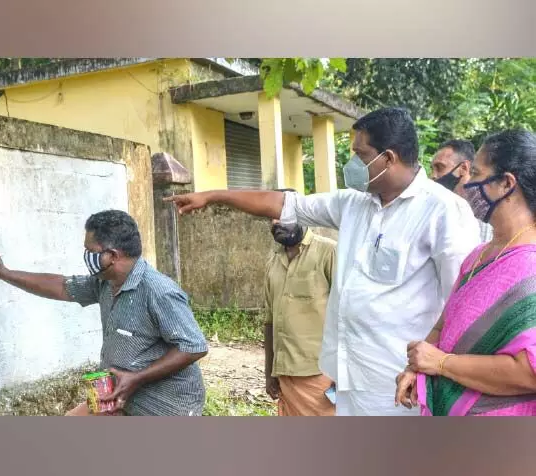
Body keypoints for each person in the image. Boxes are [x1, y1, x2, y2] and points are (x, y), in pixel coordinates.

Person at [165, 107, 480, 416]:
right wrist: (213, 196)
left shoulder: (443, 211)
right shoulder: (353, 204)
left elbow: (464, 302)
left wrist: (438, 369)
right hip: (349, 379)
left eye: (361, 155)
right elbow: (285, 204)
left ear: (389, 158)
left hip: (401, 386)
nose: (353, 164)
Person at [0, 209, 209, 416]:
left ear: (112, 255)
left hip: (166, 406)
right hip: (120, 394)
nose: (86, 256)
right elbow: (61, 286)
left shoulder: (158, 291)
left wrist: (137, 378)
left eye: (90, 251)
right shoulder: (105, 282)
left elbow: (193, 346)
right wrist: (3, 272)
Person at [395, 130, 536, 416]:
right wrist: (416, 367)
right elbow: (443, 326)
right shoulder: (478, 255)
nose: (467, 183)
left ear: (506, 184)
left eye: (477, 173)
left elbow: (528, 372)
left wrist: (441, 363)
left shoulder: (530, 266)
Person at [263, 193, 337, 416]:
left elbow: (348, 314)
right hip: (285, 374)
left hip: (321, 375)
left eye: (281, 215)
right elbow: (269, 321)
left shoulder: (329, 252)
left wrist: (345, 373)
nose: (276, 222)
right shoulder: (273, 259)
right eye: (271, 217)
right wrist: (270, 372)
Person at [431, 139, 494, 242]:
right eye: (432, 169)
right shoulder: (438, 207)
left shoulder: (482, 210)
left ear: (464, 168)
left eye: (440, 167)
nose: (433, 175)